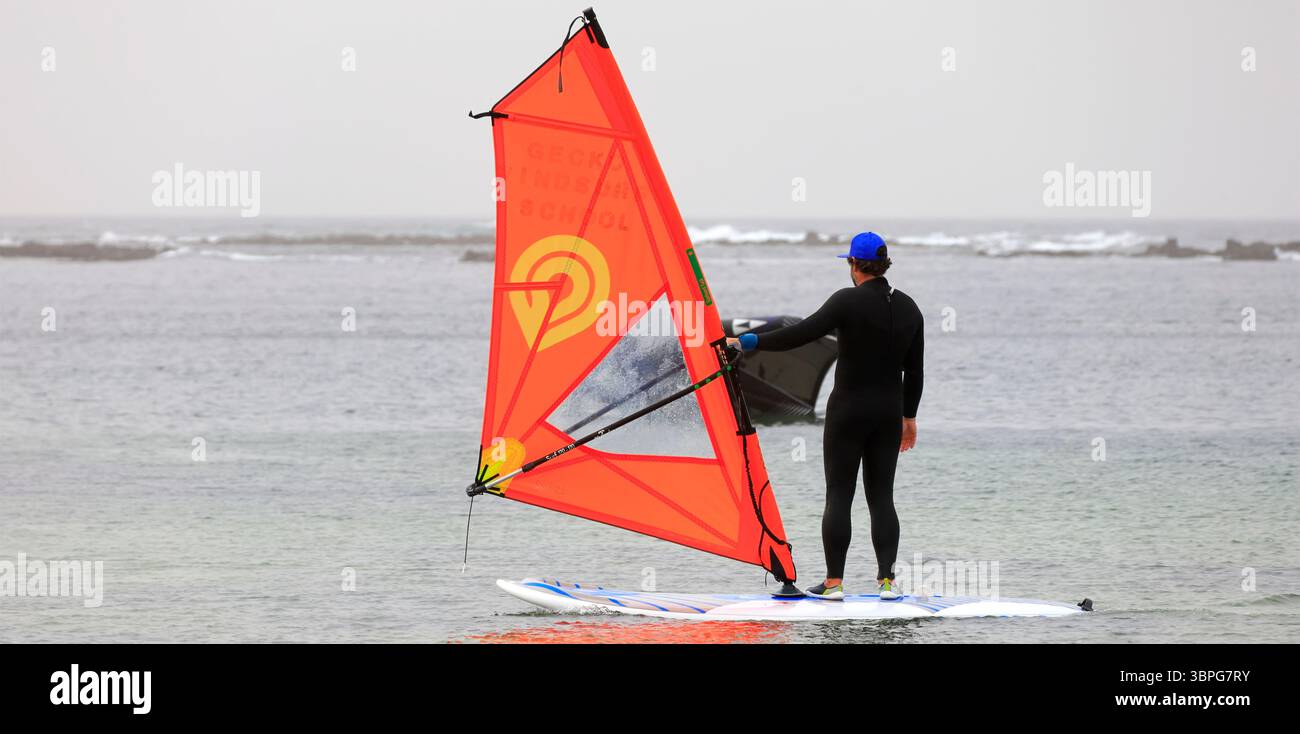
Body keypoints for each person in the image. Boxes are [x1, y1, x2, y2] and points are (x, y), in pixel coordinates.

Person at [728, 232, 923, 600]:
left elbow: (799, 334)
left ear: (854, 264)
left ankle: (834, 584)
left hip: (848, 410)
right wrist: (909, 419)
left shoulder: (846, 302)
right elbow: (915, 372)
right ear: (884, 265)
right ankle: (887, 583)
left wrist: (748, 342)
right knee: (882, 496)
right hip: (888, 412)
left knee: (839, 494)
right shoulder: (910, 308)